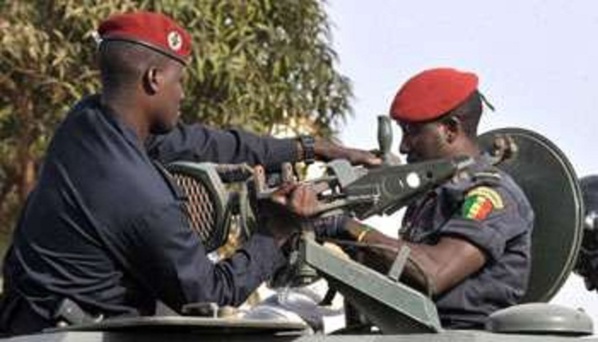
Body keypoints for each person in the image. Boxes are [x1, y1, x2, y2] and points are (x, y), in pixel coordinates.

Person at [0, 11, 379, 335]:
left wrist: (309, 147)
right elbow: (209, 294)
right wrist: (277, 231)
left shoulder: (88, 123)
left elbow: (203, 142)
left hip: (27, 323)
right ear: (153, 79)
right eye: (179, 80)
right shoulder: (142, 196)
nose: (181, 93)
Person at [312, 68, 535, 329]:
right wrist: (343, 241)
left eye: (411, 132)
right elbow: (395, 275)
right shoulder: (431, 196)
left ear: (450, 129)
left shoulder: (490, 195)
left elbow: (434, 272)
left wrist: (347, 227)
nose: (403, 146)